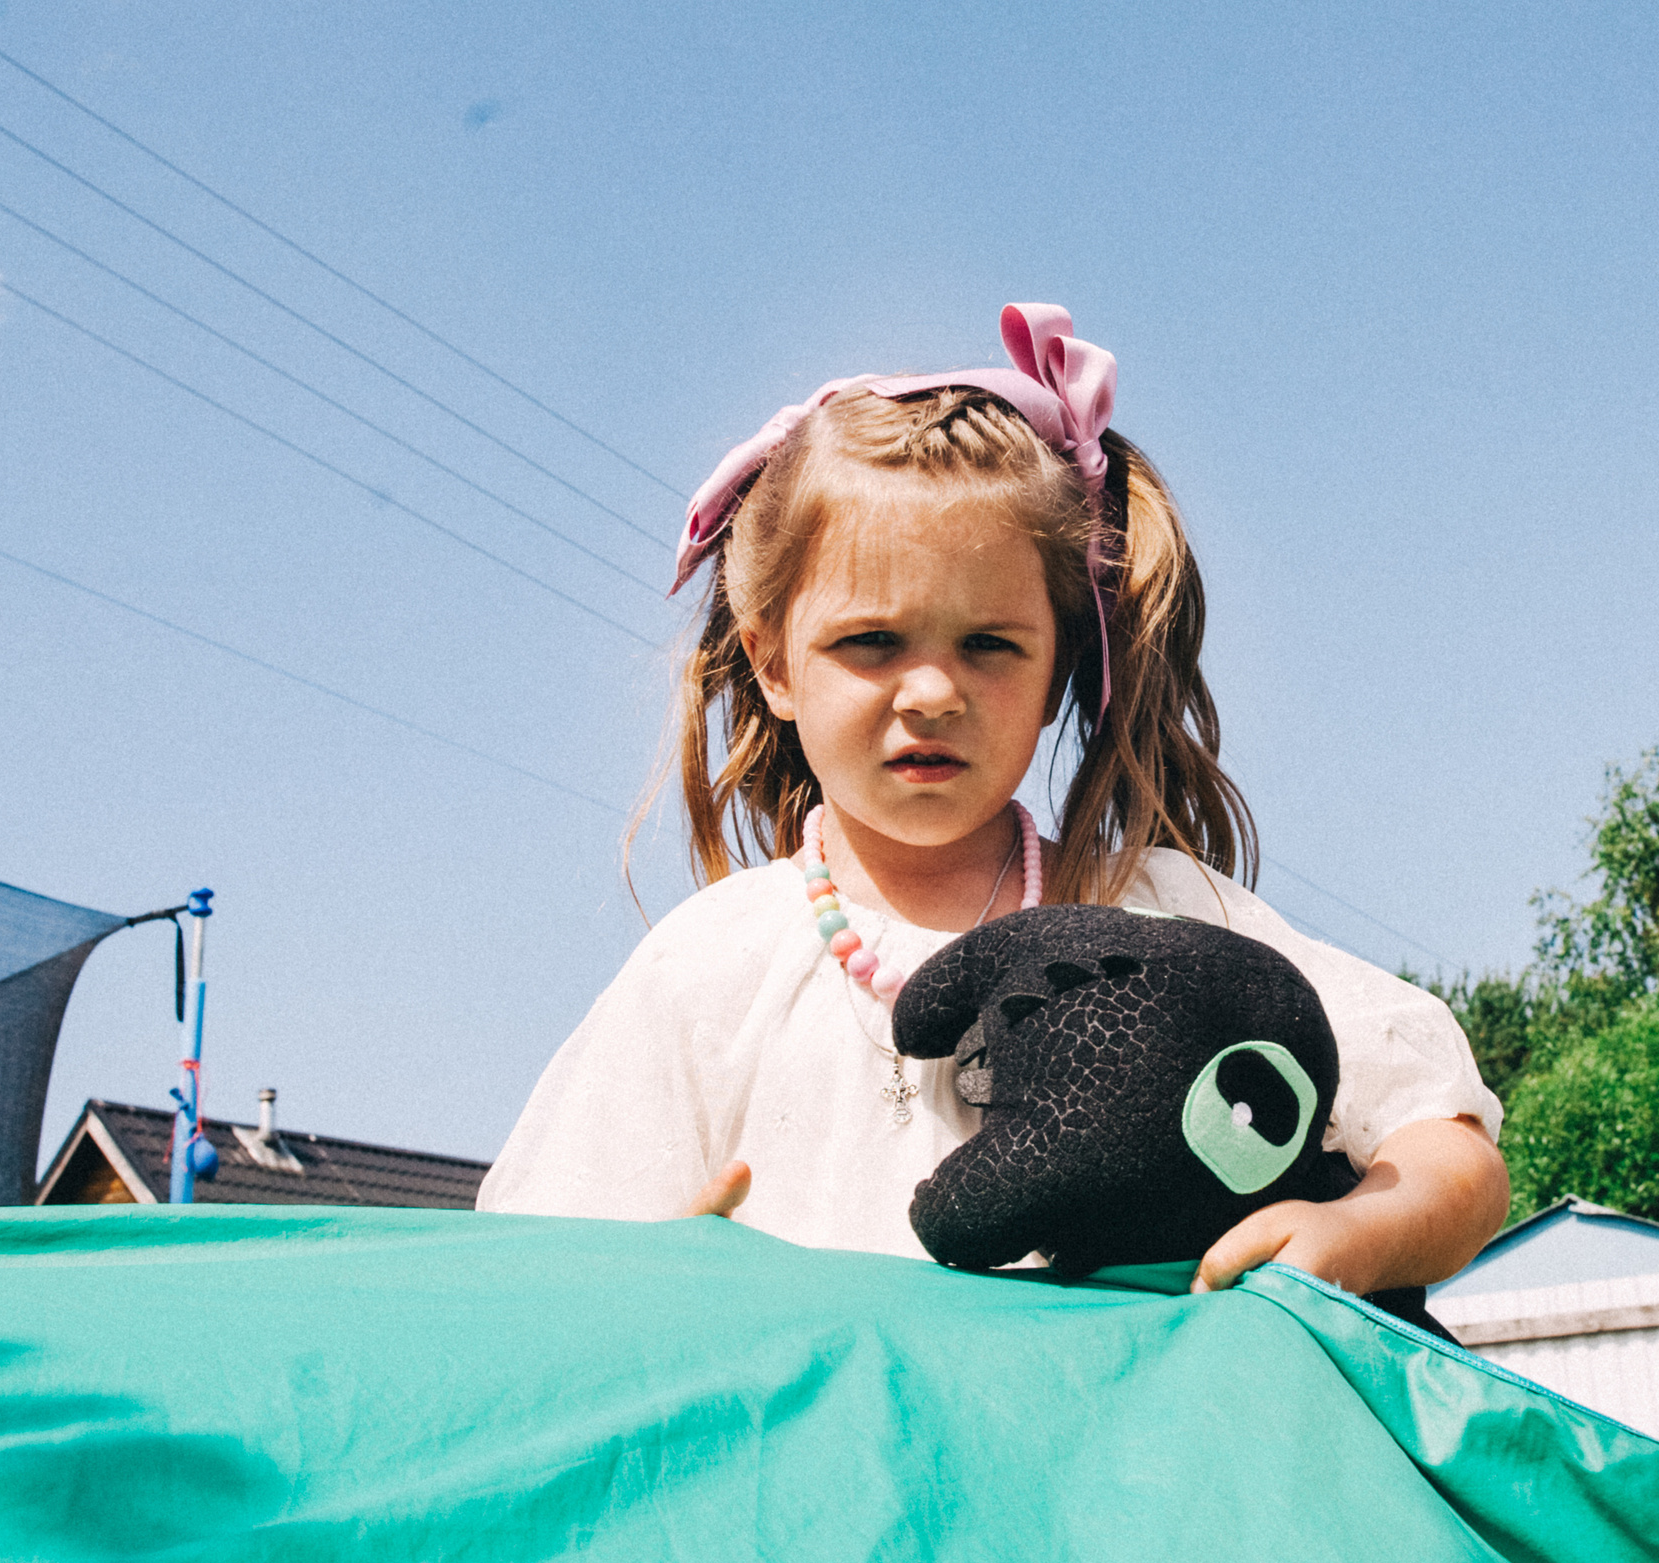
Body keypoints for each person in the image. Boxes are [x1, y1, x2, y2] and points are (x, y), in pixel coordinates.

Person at [480, 303, 1508, 1301]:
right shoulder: (707, 969)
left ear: (1063, 665)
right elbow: (539, 1277)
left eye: (989, 646)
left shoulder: (1155, 916)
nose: (931, 693)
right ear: (773, 666)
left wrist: (1354, 1234)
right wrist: (646, 1285)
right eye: (870, 642)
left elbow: (1448, 1154)